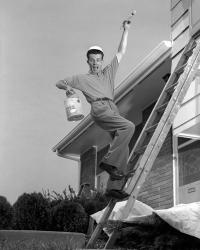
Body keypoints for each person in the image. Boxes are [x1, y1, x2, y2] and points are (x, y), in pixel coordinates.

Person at [56, 20, 135, 200]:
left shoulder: (108, 72)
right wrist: (67, 88)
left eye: (98, 60)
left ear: (101, 60)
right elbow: (59, 82)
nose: (95, 64)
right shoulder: (82, 78)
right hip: (99, 108)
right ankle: (107, 162)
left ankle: (113, 187)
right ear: (88, 61)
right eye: (92, 61)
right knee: (129, 127)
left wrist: (126, 30)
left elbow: (121, 52)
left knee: (123, 145)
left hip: (112, 108)